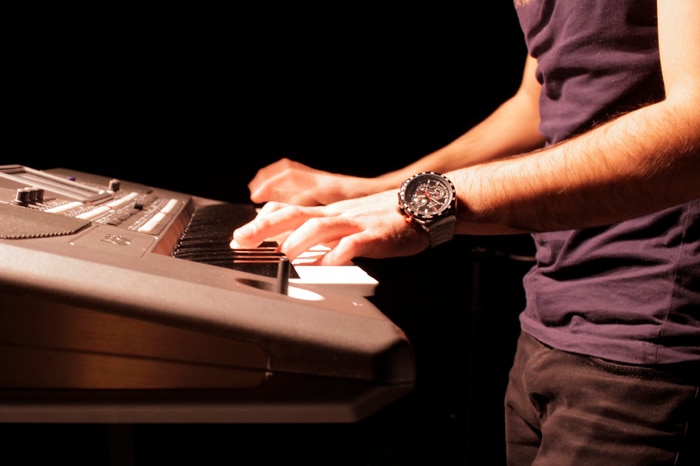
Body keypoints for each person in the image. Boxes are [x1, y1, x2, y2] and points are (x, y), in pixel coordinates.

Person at [232, 0, 700, 464]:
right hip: (550, 317)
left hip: (651, 340)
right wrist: (379, 189)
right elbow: (535, 101)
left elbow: (694, 124)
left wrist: (431, 201)